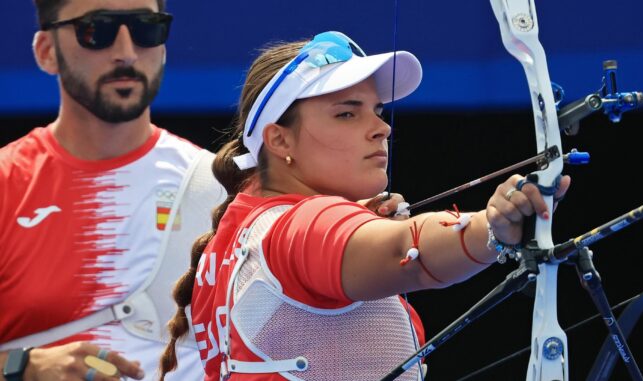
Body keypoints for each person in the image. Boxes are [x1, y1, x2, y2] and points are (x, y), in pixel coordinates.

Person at [158, 31, 571, 381]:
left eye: (376, 110)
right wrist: (491, 228)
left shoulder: (242, 227)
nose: (382, 128)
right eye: (346, 114)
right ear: (279, 140)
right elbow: (403, 250)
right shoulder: (299, 224)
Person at [0, 0, 229, 380]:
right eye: (98, 30)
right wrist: (22, 367)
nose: (126, 52)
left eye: (146, 29)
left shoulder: (222, 188)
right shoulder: (6, 185)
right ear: (46, 52)